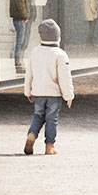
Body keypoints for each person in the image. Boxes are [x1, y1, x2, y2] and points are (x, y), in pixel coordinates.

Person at [21, 19, 76, 155]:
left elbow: (29, 74)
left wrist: (28, 91)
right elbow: (65, 77)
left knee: (38, 116)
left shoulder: (35, 52)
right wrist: (68, 95)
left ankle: (32, 134)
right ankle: (49, 146)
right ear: (57, 37)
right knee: (52, 119)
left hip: (38, 93)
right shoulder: (60, 54)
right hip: (54, 95)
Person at [8, 0, 32, 72]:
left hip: (20, 19)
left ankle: (19, 62)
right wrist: (25, 17)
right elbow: (21, 6)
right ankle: (18, 63)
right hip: (20, 20)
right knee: (19, 42)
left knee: (20, 41)